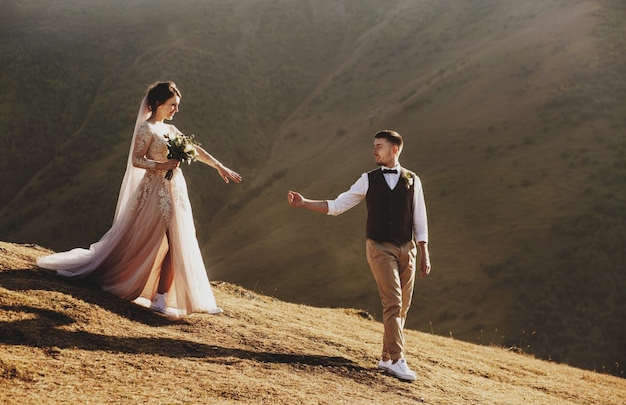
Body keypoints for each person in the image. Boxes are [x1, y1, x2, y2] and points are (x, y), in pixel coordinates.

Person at [38, 81, 242, 316]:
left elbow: (193, 149)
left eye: (177, 105)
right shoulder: (147, 129)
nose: (176, 109)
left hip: (175, 190)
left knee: (179, 241)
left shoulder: (171, 130)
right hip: (155, 192)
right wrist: (162, 165)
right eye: (172, 105)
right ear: (157, 104)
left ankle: (168, 297)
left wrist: (219, 166)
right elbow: (137, 160)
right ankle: (159, 297)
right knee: (169, 242)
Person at [287, 130, 430, 382]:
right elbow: (338, 205)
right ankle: (397, 359)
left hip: (409, 249)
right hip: (379, 247)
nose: (374, 151)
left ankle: (386, 358)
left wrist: (425, 253)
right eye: (374, 146)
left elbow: (420, 219)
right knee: (393, 302)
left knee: (403, 306)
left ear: (394, 149)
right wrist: (305, 202)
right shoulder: (367, 179)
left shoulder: (412, 180)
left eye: (379, 147)